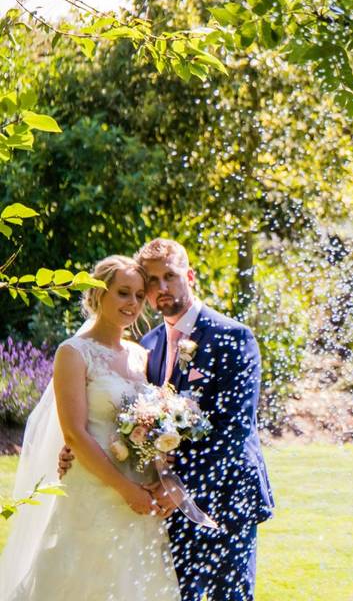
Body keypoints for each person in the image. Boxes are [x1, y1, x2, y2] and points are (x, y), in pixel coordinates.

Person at [60, 238, 274, 601]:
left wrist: (178, 487)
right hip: (168, 509)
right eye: (152, 282)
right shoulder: (150, 344)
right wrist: (73, 449)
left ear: (188, 276)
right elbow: (132, 417)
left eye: (170, 277)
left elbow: (234, 432)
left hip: (225, 499)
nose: (161, 289)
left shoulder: (233, 337)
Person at [0, 256, 180, 600]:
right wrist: (125, 489)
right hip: (95, 488)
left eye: (140, 296)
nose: (133, 304)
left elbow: (149, 422)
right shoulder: (73, 352)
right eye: (123, 293)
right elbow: (74, 434)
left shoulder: (139, 355)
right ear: (99, 295)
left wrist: (156, 471)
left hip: (141, 492)